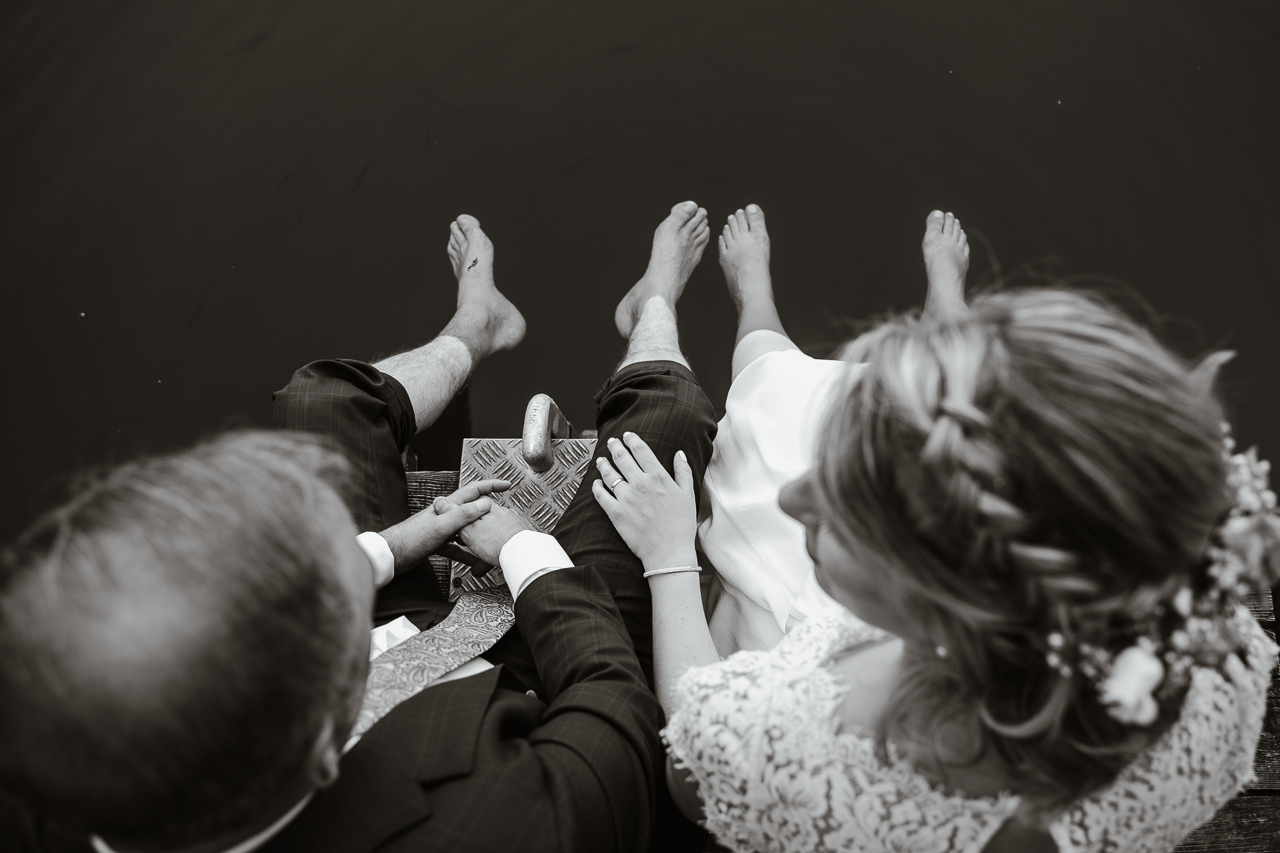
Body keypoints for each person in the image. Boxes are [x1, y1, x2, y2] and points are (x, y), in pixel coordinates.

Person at [0, 203, 719, 853]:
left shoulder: (54, 775)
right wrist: (526, 553)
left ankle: (479, 324)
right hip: (524, 690)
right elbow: (613, 712)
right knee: (665, 422)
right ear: (329, 745)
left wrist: (386, 547)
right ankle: (652, 313)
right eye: (325, 590)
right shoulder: (505, 825)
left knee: (325, 397)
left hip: (384, 656)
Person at [592, 206, 1280, 852]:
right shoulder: (1219, 678)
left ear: (939, 607)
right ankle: (946, 314)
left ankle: (749, 306)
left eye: (846, 515)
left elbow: (690, 756)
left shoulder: (784, 741)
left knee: (770, 424)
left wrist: (671, 553)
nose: (799, 496)